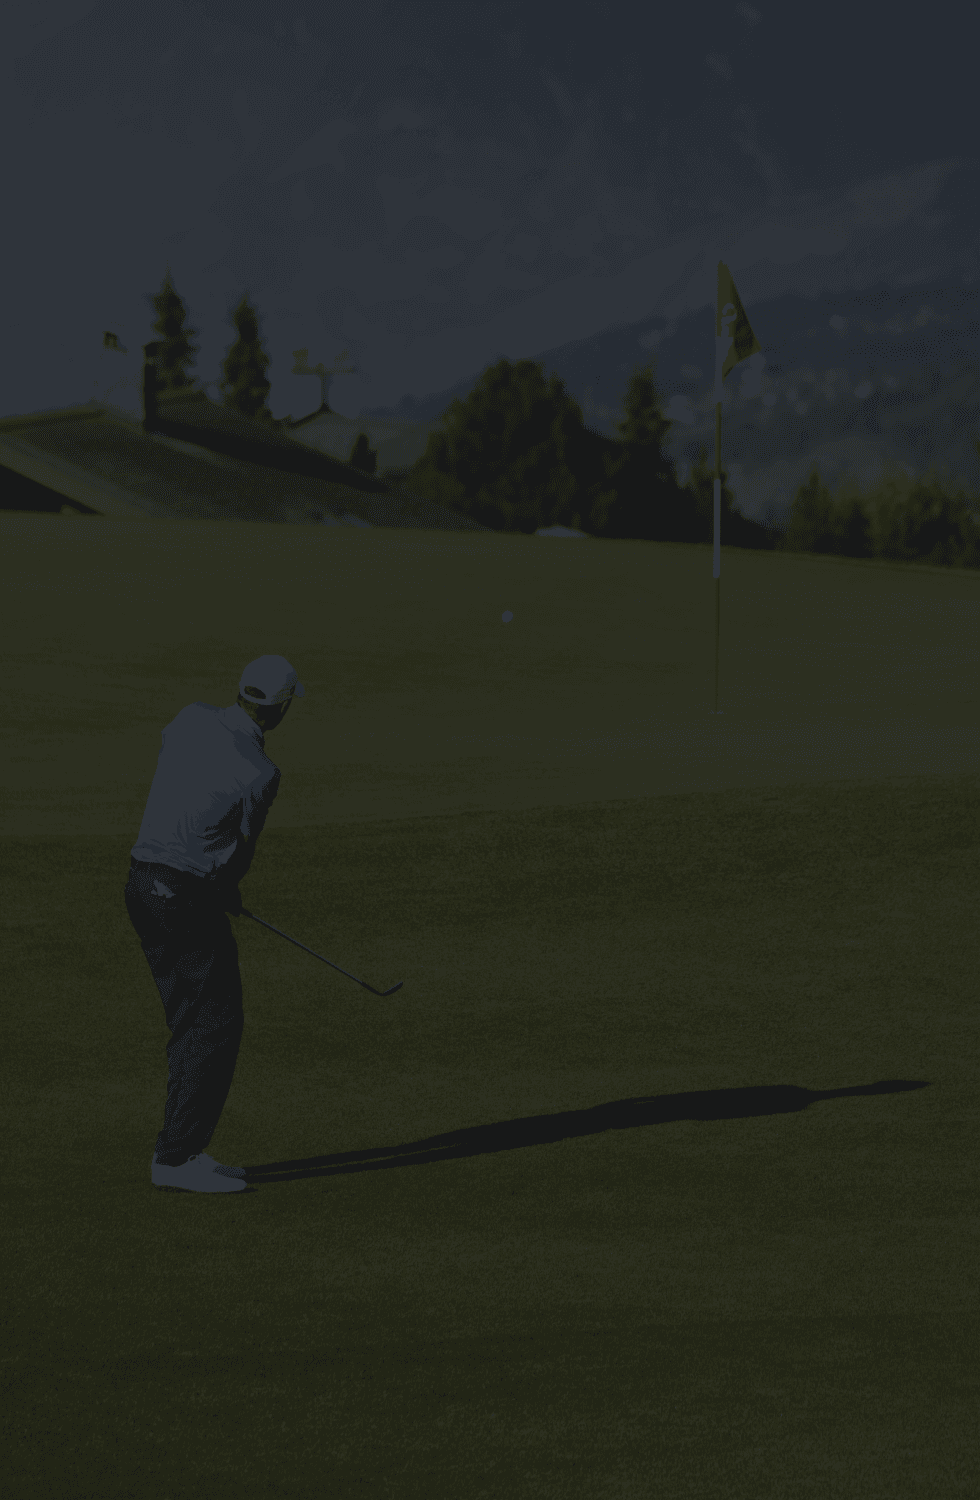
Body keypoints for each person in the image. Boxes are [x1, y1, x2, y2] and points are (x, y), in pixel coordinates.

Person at [124, 654, 305, 1193]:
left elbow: (178, 767)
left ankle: (184, 1150)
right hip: (182, 898)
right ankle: (177, 1158)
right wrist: (224, 890)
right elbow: (238, 858)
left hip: (141, 883)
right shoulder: (262, 773)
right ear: (282, 709)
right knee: (214, 1022)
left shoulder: (190, 716)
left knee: (196, 1019)